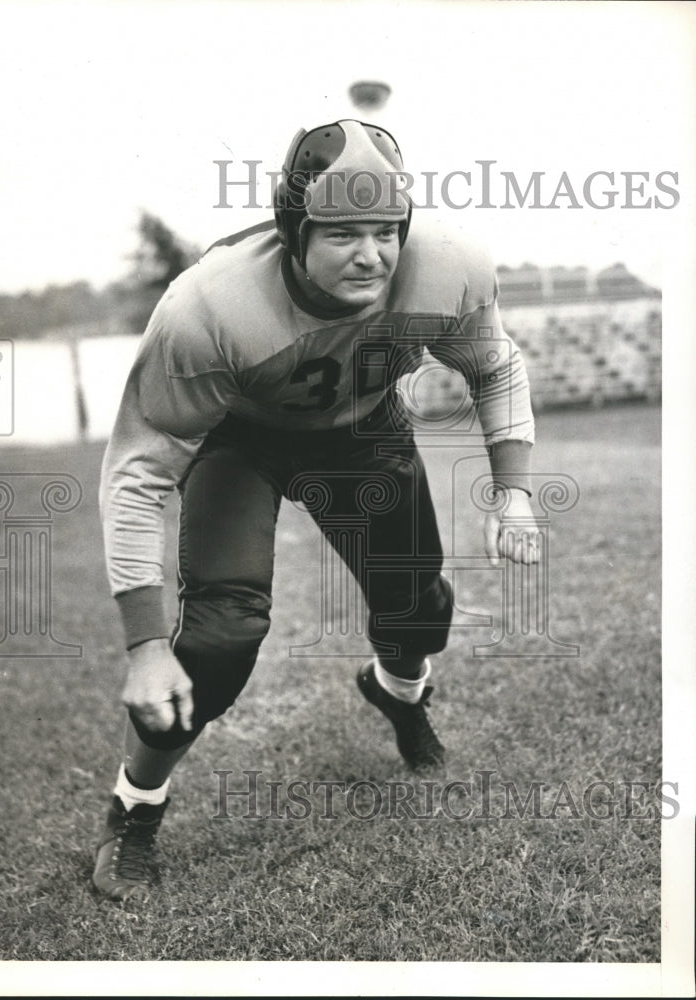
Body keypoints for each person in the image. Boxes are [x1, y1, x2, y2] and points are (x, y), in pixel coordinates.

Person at [93, 119, 539, 902]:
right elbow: (137, 473)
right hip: (243, 444)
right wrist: (141, 645)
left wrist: (513, 491)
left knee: (419, 612)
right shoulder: (210, 306)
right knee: (218, 638)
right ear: (294, 231)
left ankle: (397, 693)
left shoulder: (447, 270)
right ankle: (134, 809)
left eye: (383, 230)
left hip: (363, 436)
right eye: (340, 233)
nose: (369, 254)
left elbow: (495, 367)